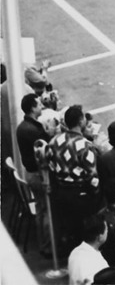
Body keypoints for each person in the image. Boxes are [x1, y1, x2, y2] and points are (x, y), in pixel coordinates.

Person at [46, 104, 103, 255]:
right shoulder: (85, 146)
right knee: (84, 230)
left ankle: (71, 251)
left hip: (61, 193)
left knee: (70, 226)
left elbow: (50, 166)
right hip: (80, 196)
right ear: (81, 122)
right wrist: (96, 195)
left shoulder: (54, 142)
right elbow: (93, 177)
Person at [16, 92, 52, 251]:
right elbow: (47, 150)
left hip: (31, 174)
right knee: (46, 210)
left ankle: (44, 242)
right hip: (39, 176)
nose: (41, 106)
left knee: (41, 208)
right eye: (38, 104)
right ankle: (48, 246)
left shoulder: (23, 127)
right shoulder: (34, 131)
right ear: (32, 108)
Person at [68, 215, 110, 285]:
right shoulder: (99, 264)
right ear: (100, 237)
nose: (107, 232)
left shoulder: (75, 252)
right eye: (107, 230)